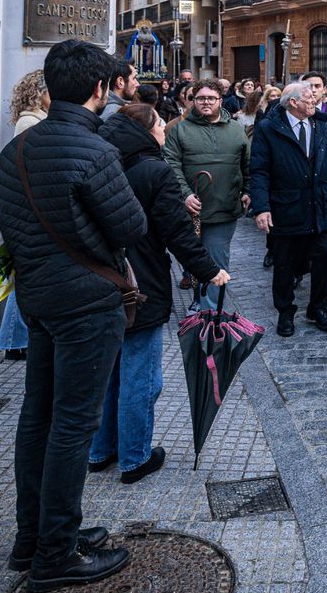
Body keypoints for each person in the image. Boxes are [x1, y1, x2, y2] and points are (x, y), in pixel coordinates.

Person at [0, 39, 145, 591]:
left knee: (39, 415)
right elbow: (130, 228)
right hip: (86, 300)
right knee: (74, 423)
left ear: (51, 88)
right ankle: (55, 552)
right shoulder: (92, 149)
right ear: (101, 89)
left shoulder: (18, 150)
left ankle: (32, 537)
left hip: (38, 296)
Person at [95, 105, 229, 482]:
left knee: (108, 371)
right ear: (144, 132)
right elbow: (177, 232)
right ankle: (135, 458)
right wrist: (208, 270)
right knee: (141, 375)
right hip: (142, 285)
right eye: (158, 124)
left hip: (103, 280)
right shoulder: (156, 171)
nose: (163, 130)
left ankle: (99, 450)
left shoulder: (102, 164)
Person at [250, 81, 327, 337]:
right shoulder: (269, 128)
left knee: (324, 260)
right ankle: (285, 311)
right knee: (285, 263)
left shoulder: (322, 124)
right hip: (287, 207)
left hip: (321, 205)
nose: (315, 100)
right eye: (309, 97)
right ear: (293, 102)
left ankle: (318, 308)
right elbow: (259, 171)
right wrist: (261, 207)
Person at [163, 78, 251, 310]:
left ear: (220, 100)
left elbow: (248, 163)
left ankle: (210, 312)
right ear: (192, 100)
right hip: (191, 211)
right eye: (200, 98)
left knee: (216, 260)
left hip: (224, 210)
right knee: (192, 258)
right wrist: (185, 194)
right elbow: (171, 165)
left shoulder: (235, 130)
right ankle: (198, 298)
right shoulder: (180, 130)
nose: (205, 103)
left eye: (211, 98)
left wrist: (247, 191)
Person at [0, 69, 50, 361]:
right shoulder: (31, 123)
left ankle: (15, 339)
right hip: (29, 211)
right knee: (25, 278)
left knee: (26, 278)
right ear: (39, 93)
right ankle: (15, 340)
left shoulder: (33, 120)